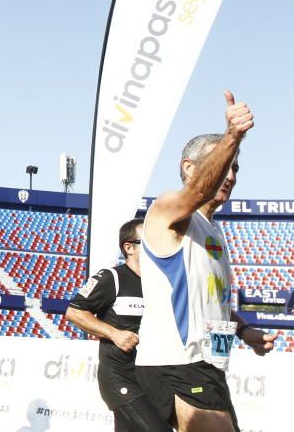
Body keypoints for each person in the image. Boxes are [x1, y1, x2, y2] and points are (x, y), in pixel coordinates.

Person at [135, 91, 276, 432]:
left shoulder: (213, 230)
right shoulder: (167, 210)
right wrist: (233, 136)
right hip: (178, 361)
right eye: (224, 165)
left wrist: (244, 331)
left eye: (235, 168)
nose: (230, 175)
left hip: (208, 363)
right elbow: (198, 191)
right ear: (189, 167)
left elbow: (213, 302)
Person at [65, 220, 169, 431]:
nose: (154, 247)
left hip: (154, 379)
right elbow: (74, 312)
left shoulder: (161, 282)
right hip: (120, 377)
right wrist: (114, 333)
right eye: (146, 242)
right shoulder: (111, 277)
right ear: (128, 247)